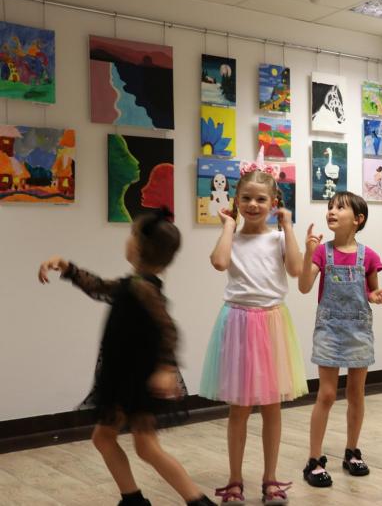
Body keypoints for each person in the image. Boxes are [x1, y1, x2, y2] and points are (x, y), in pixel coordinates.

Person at [37, 209, 215, 506]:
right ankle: (133, 499)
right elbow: (99, 287)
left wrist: (166, 368)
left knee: (145, 447)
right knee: (107, 438)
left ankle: (196, 500)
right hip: (123, 376)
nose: (128, 239)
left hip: (137, 380)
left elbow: (167, 328)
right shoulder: (133, 284)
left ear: (138, 247)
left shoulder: (143, 288)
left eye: (131, 234)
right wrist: (67, 268)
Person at [199, 164, 307, 505]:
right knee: (239, 408)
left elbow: (296, 269)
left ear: (274, 202)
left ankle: (270, 479)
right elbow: (219, 262)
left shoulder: (279, 238)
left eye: (261, 199)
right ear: (236, 200)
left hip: (272, 323)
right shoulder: (232, 237)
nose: (253, 205)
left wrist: (288, 227)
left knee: (272, 406)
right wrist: (229, 226)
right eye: (246, 198)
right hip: (238, 323)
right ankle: (234, 480)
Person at [298, 191, 382, 487]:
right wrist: (307, 251)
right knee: (326, 394)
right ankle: (314, 460)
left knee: (355, 393)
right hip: (329, 331)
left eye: (340, 207)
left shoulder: (369, 256)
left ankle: (352, 451)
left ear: (358, 219)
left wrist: (375, 296)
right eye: (330, 207)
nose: (332, 211)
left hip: (358, 331)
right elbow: (303, 286)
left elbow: (370, 292)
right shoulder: (321, 253)